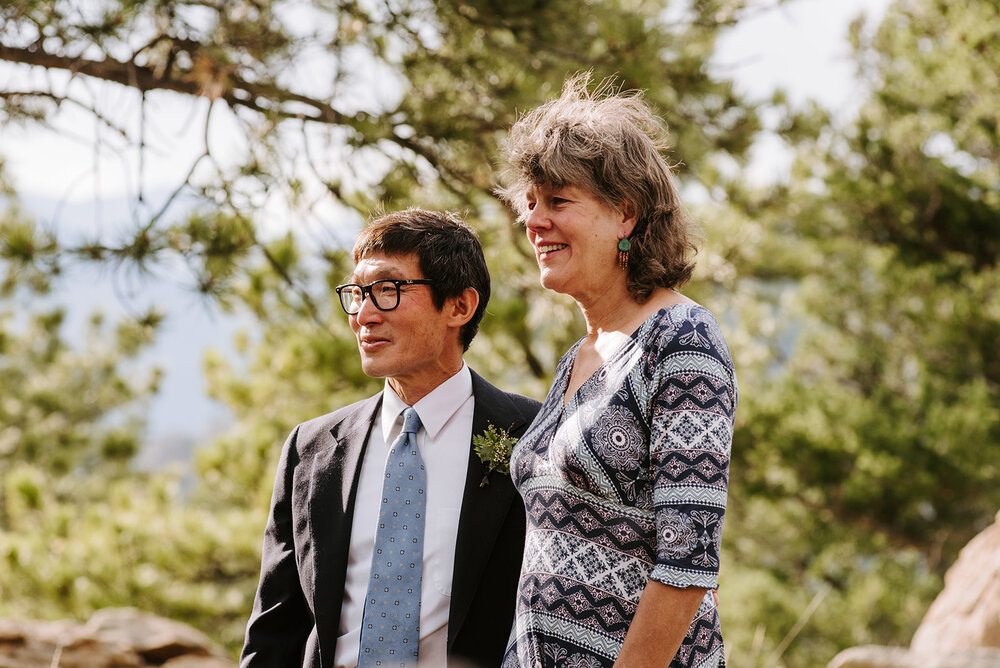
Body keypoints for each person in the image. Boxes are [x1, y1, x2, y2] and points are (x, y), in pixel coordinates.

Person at [497, 75, 738, 668]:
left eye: (557, 201)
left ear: (625, 213)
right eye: (530, 203)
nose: (534, 220)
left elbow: (687, 567)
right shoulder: (578, 356)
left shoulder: (684, 342)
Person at [240, 209, 541, 668]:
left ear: (459, 306)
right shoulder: (312, 450)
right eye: (357, 293)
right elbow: (276, 632)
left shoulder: (534, 436)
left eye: (387, 290)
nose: (363, 315)